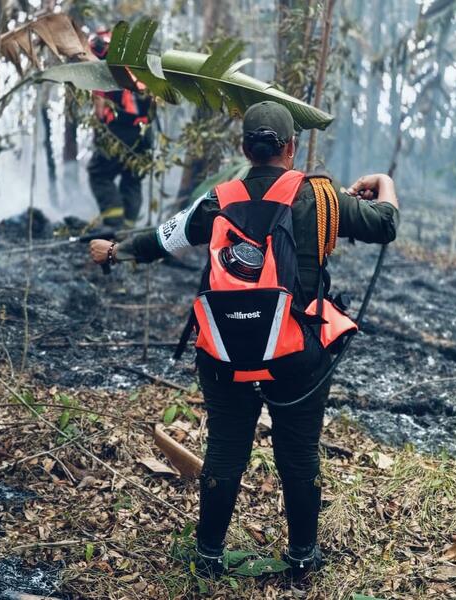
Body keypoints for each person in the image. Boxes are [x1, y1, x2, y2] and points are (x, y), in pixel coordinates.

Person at [88, 101, 399, 580]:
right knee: (297, 454)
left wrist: (115, 250)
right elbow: (385, 224)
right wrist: (383, 183)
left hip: (226, 351)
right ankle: (301, 560)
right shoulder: (320, 196)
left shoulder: (218, 198)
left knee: (226, 449)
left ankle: (209, 557)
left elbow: (161, 240)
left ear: (243, 149)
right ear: (291, 148)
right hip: (298, 351)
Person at [87, 30, 154, 228]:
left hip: (119, 130)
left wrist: (99, 131)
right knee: (132, 177)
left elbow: (100, 107)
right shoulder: (141, 67)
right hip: (144, 132)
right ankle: (128, 227)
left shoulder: (104, 69)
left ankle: (114, 223)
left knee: (98, 173)